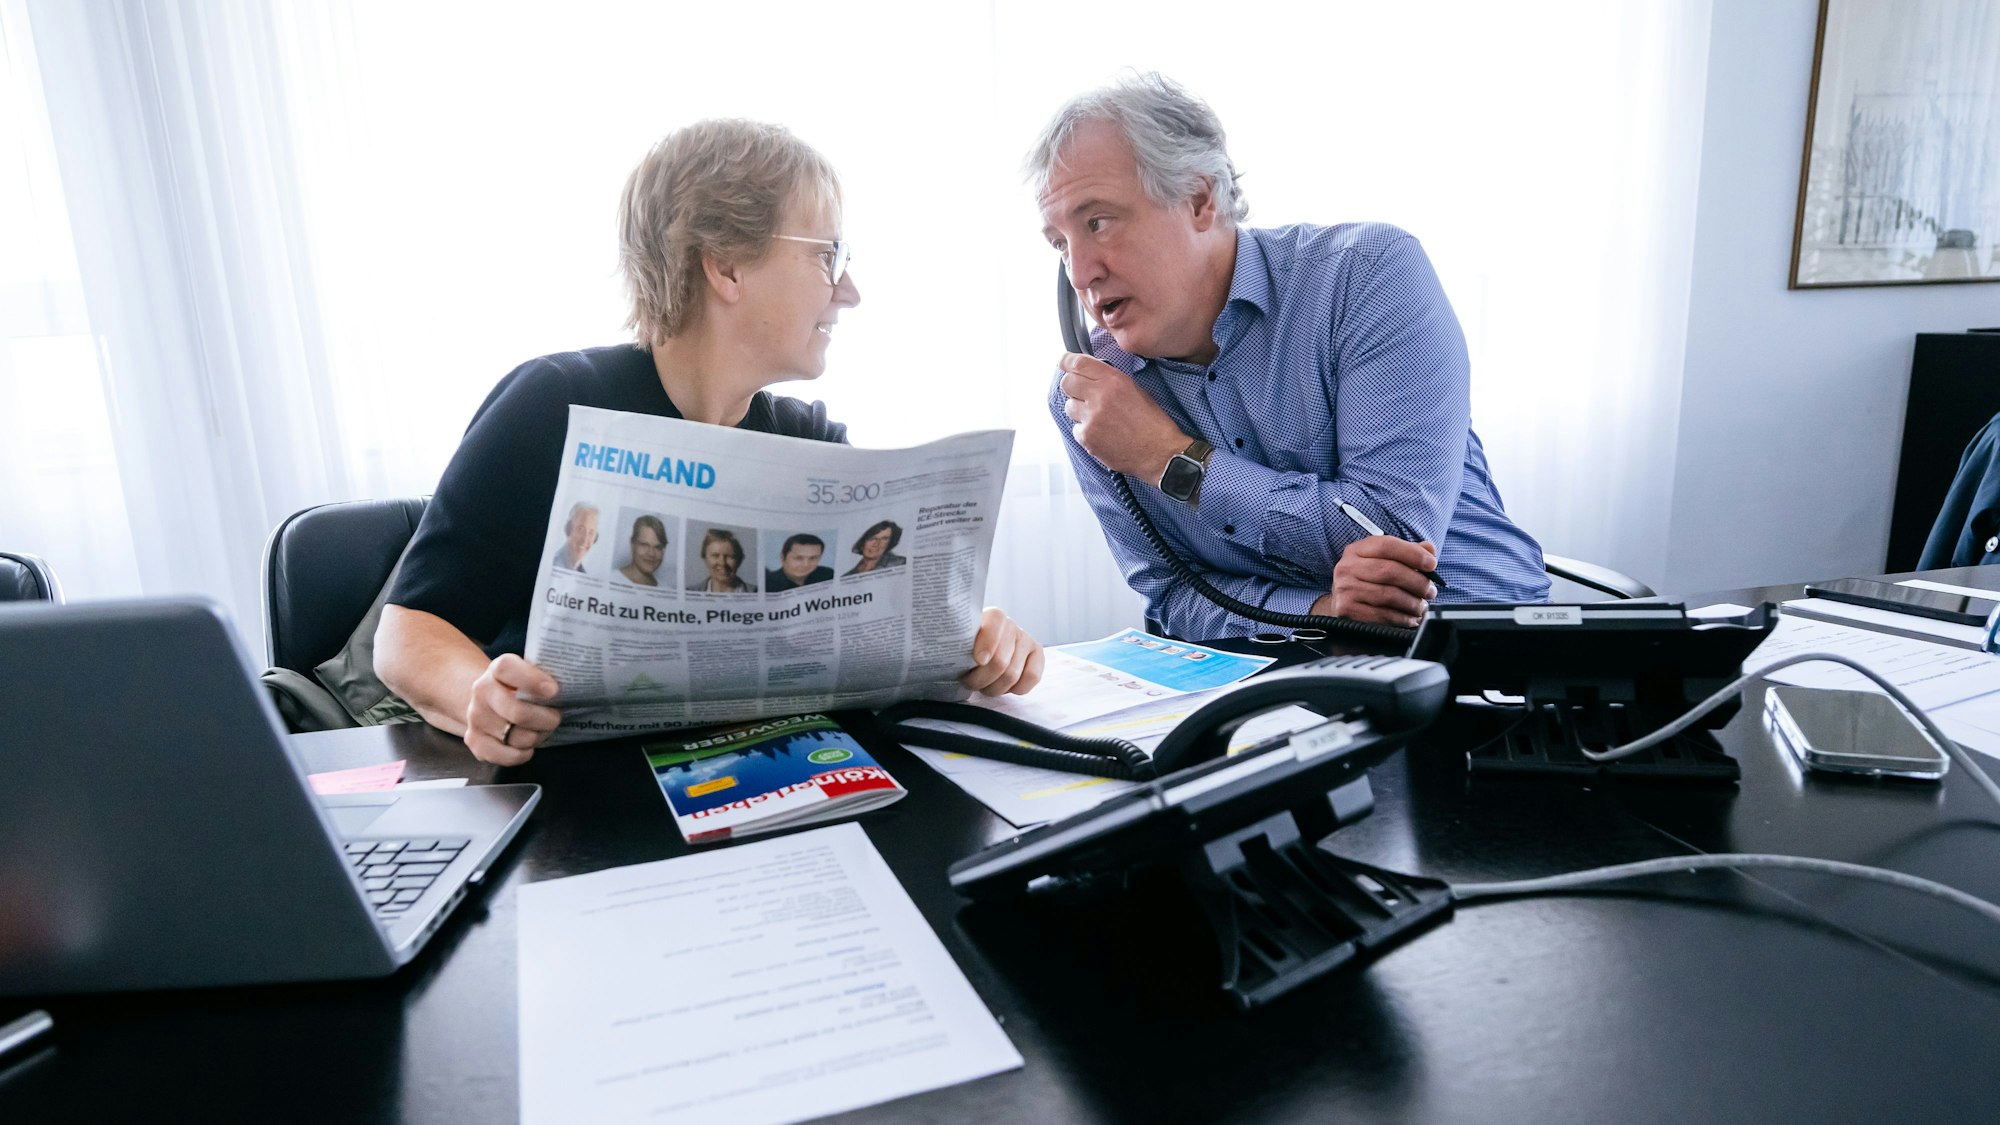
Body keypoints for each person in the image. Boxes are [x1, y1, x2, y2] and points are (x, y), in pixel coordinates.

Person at [376, 119, 1045, 766]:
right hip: (577, 798)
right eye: (825, 255)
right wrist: (481, 697)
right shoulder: (550, 404)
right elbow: (407, 632)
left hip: (759, 781)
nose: (849, 291)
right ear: (726, 266)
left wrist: (981, 639)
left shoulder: (810, 439)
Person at [1030, 74, 1548, 640]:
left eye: (1097, 222)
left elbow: (1393, 541)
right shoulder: (1088, 402)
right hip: (1284, 681)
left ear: (1199, 199)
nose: (1080, 273)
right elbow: (1171, 597)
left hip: (1488, 664)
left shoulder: (1368, 275)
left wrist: (1169, 458)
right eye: (1060, 243)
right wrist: (1321, 612)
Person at [688, 528, 754, 593]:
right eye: (715, 556)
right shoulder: (688, 593)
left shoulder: (757, 592)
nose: (722, 563)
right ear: (705, 558)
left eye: (729, 556)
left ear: (739, 560)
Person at [766, 533, 833, 590]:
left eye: (813, 558)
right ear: (783, 557)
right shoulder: (767, 584)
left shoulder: (829, 575)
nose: (806, 564)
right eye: (799, 558)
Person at [616, 514, 668, 586]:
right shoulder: (612, 579)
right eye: (644, 545)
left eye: (657, 547)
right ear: (632, 544)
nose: (651, 553)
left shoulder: (666, 589)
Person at [550, 501, 599, 572]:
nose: (585, 539)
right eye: (580, 529)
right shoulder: (554, 566)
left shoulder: (581, 572)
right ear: (568, 529)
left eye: (591, 533)